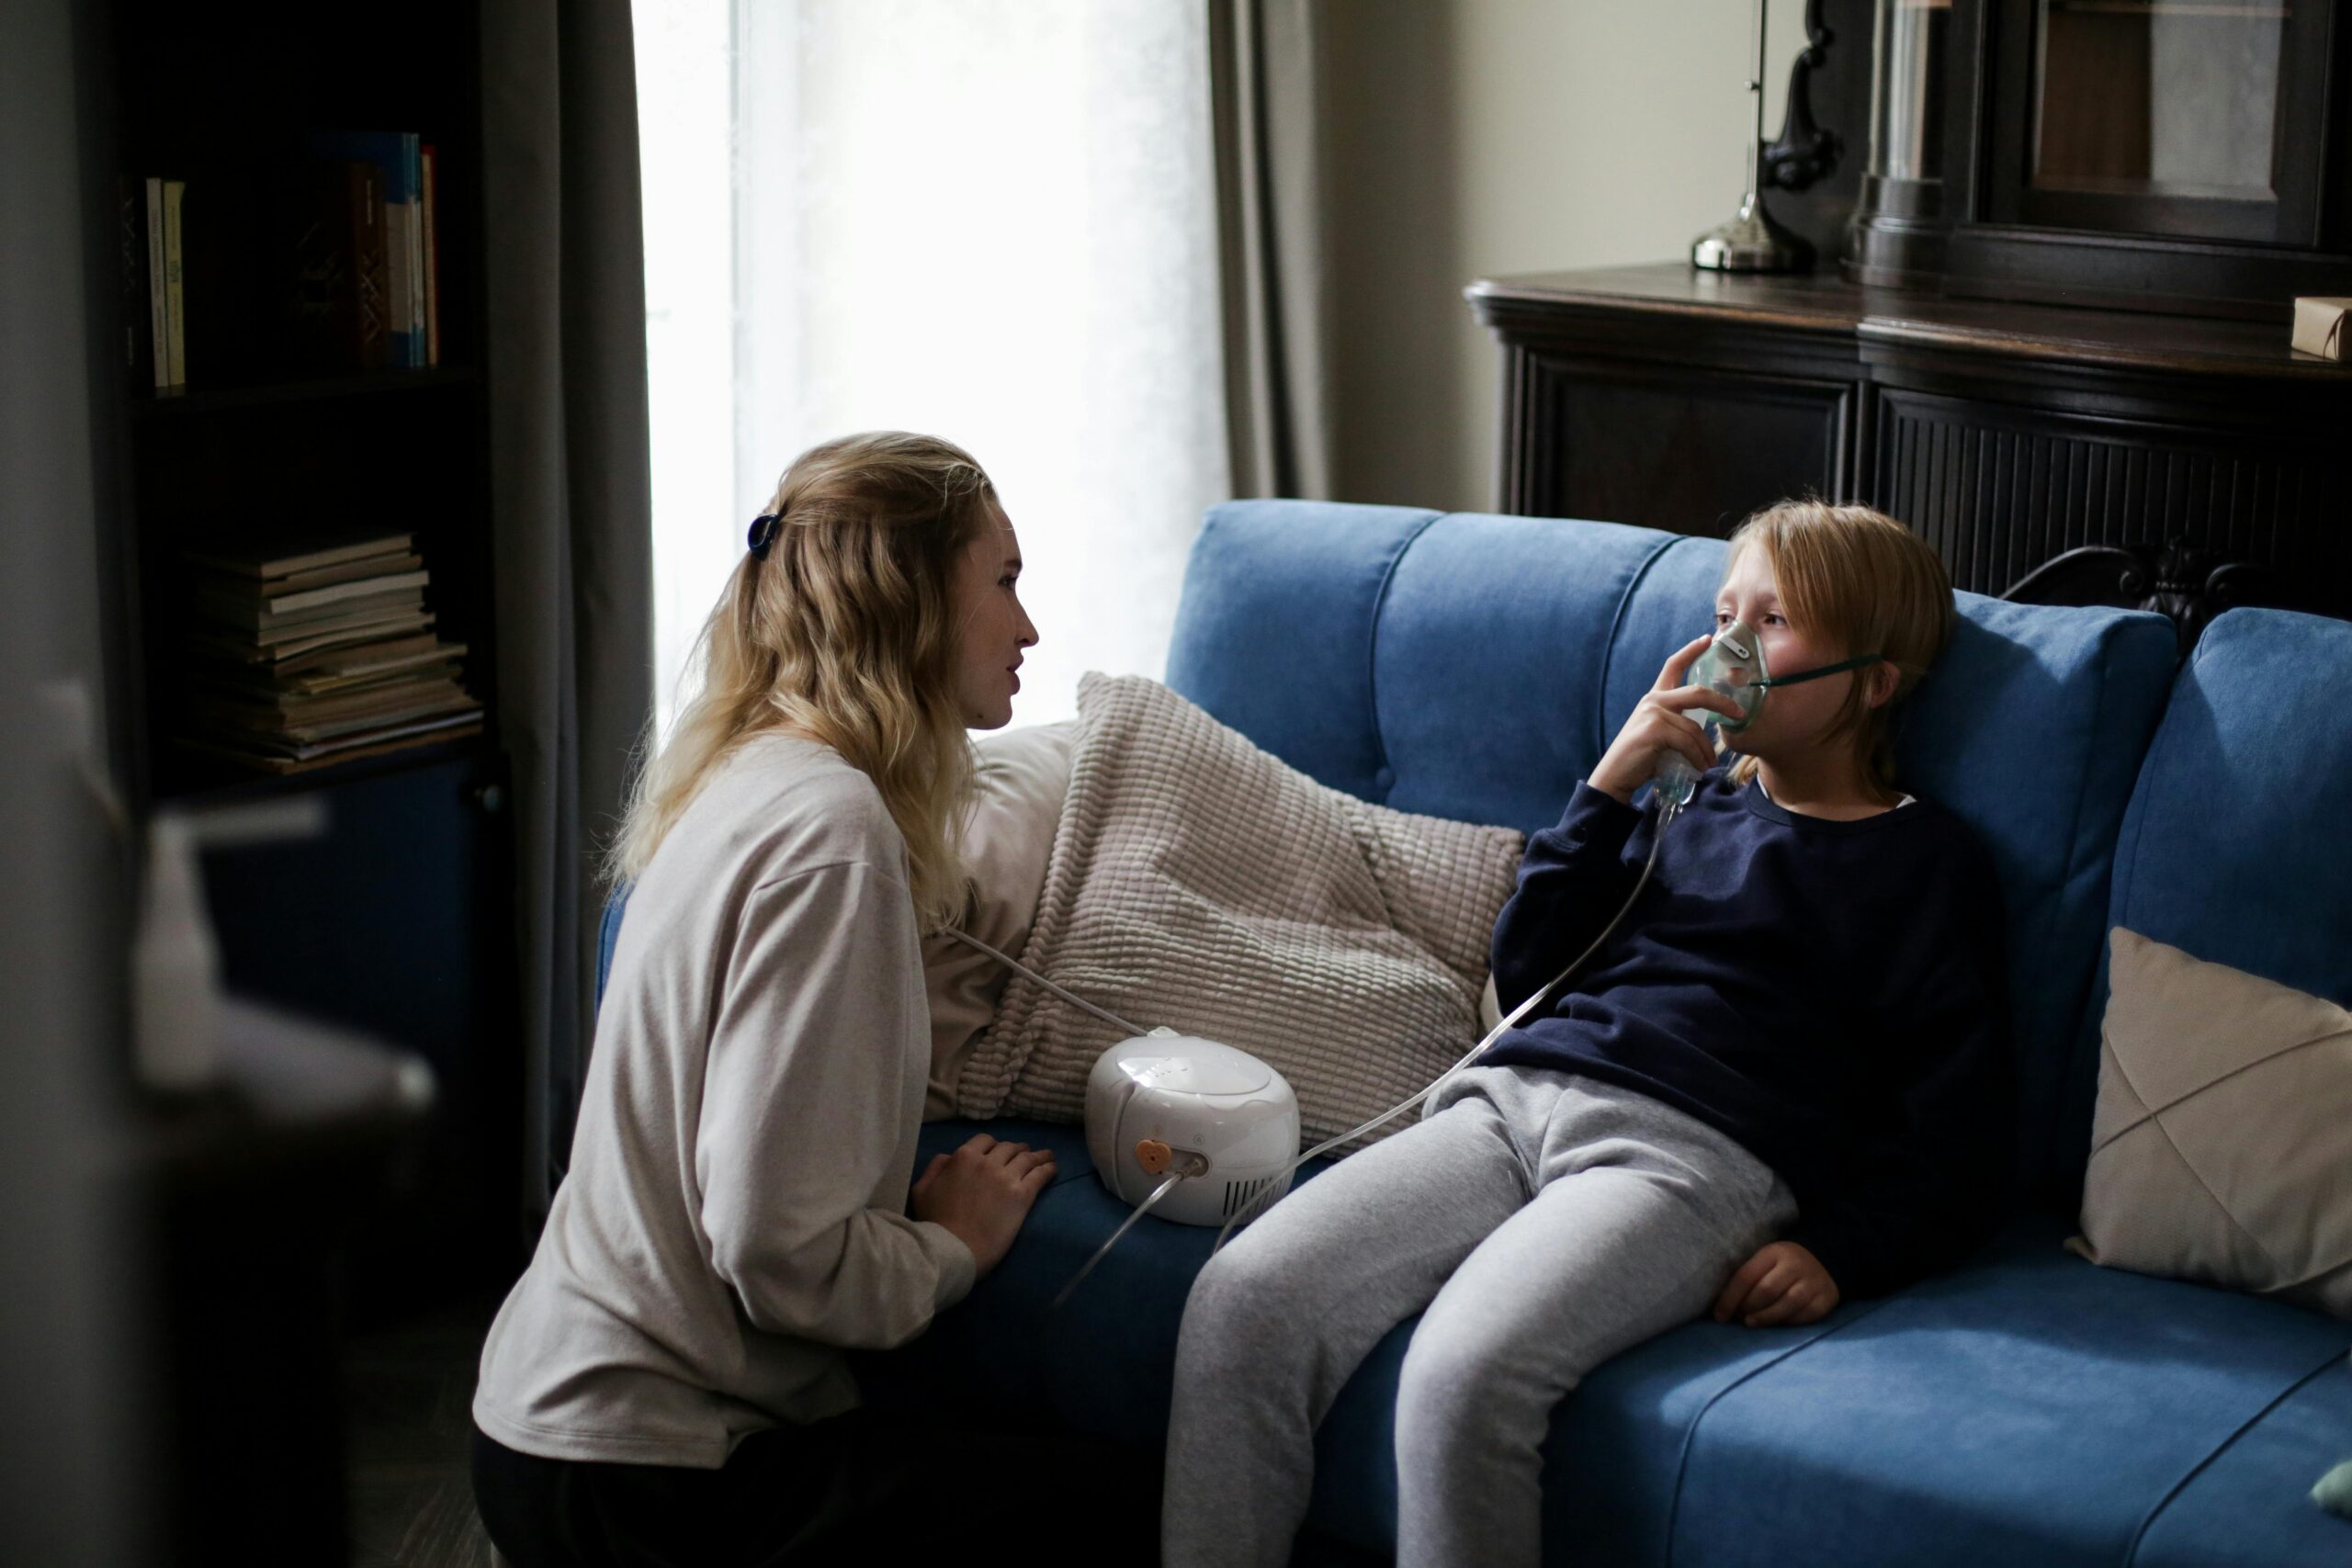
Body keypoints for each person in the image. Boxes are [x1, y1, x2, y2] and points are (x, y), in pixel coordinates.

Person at [1161, 500, 2013, 1568]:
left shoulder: (1926, 864)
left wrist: (1840, 1250)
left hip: (1688, 1157)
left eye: (1777, 621)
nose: (1729, 647)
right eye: (1721, 611)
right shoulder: (1681, 805)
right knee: (1245, 1298)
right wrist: (1613, 783)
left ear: (1874, 682)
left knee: (1460, 1376)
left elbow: (1961, 1135)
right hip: (1511, 1102)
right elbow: (1527, 969)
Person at [470, 431, 1127, 1565]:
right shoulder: (834, 836)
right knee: (1136, 1509)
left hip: (548, 1433)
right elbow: (773, 1248)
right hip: (647, 1479)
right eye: (1005, 582)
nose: (1027, 627)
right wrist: (950, 1252)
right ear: (915, 599)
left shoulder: (748, 773)